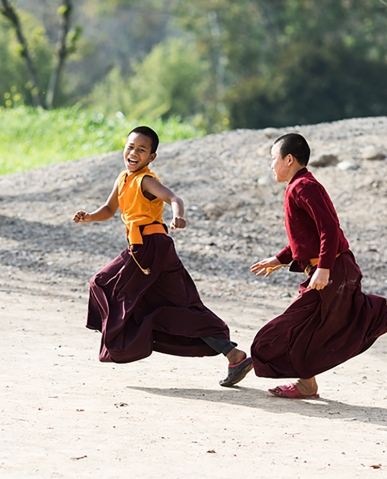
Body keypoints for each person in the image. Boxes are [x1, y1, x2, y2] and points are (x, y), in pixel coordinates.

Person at [242, 133, 387, 398]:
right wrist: (280, 259)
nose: (271, 165)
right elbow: (306, 237)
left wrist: (323, 268)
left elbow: (328, 227)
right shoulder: (301, 185)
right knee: (328, 327)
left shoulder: (304, 186)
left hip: (331, 271)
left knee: (279, 334)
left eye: (273, 159)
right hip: (333, 269)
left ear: (289, 159)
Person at [73, 126, 252, 386]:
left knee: (101, 282)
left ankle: (122, 338)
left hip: (150, 247)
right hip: (146, 248)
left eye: (141, 150)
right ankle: (233, 354)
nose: (134, 153)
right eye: (130, 147)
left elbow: (173, 197)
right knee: (177, 305)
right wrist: (89, 216)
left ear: (151, 157)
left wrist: (178, 215)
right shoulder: (123, 178)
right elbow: (110, 209)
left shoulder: (145, 180)